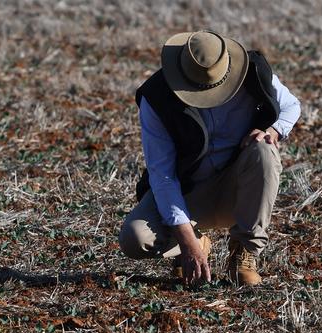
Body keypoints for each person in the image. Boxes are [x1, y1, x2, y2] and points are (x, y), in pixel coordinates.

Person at [118, 30, 301, 286]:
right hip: (189, 192)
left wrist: (272, 130)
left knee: (264, 149)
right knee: (135, 238)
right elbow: (163, 175)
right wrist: (187, 240)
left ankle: (244, 252)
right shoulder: (157, 97)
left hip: (237, 188)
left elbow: (292, 106)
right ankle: (196, 240)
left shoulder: (254, 72)